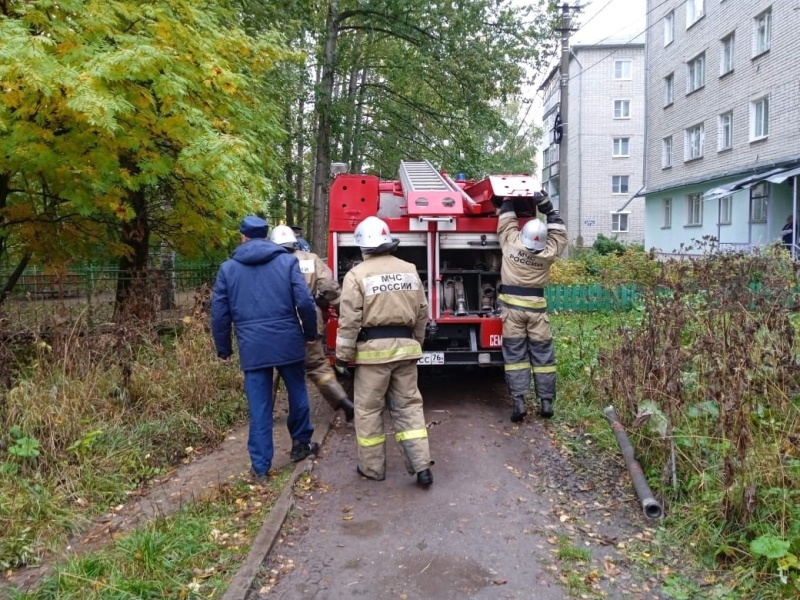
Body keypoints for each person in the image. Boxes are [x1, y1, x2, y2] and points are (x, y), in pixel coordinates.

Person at [211, 216, 320, 483]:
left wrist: (224, 348)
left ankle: (260, 468)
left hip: (253, 346)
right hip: (287, 341)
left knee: (259, 407)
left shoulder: (228, 269)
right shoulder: (286, 261)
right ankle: (300, 445)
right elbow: (305, 301)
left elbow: (219, 314)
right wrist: (309, 332)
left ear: (243, 237)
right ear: (267, 236)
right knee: (297, 393)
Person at [334, 216, 433, 488]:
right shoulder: (410, 269)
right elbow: (422, 313)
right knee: (409, 408)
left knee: (368, 411)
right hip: (405, 351)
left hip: (371, 357)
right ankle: (422, 467)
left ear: (363, 246)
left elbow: (349, 320)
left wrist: (342, 356)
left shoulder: (357, 275)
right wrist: (417, 343)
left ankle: (372, 469)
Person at [269, 225, 355, 422]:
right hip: (309, 321)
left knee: (273, 368)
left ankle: (265, 413)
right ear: (294, 241)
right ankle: (341, 399)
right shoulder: (311, 259)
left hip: (278, 322)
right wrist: (343, 312)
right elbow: (328, 288)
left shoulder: (270, 262)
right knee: (317, 365)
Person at [497, 191, 567, 421]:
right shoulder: (548, 253)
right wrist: (548, 208)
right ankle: (546, 403)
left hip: (512, 312)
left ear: (523, 235)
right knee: (543, 357)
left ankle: (518, 402)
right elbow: (559, 233)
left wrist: (507, 201)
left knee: (515, 356)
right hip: (537, 312)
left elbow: (507, 222)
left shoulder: (512, 245)